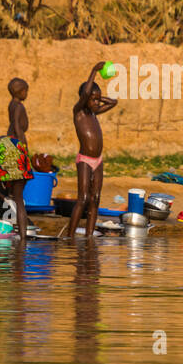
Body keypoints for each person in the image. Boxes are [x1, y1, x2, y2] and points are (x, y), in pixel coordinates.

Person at [65, 61, 118, 239]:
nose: (96, 102)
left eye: (97, 99)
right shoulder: (79, 111)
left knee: (95, 198)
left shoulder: (94, 113)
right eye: (93, 99)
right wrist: (94, 71)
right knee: (83, 198)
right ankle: (70, 236)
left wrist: (98, 98)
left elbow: (114, 102)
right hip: (85, 160)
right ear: (83, 99)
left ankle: (88, 237)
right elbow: (86, 93)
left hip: (98, 161)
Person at [7, 78, 30, 145]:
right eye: (25, 91)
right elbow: (16, 122)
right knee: (22, 153)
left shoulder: (12, 104)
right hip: (17, 134)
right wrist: (20, 138)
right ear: (20, 92)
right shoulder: (18, 106)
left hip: (13, 133)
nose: (26, 94)